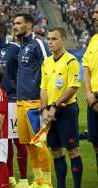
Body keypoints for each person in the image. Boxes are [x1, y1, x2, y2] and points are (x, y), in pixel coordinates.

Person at [0, 22, 28, 187]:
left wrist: (17, 85)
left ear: (2, 33)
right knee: (5, 140)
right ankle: (8, 176)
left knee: (18, 139)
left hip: (12, 100)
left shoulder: (14, 48)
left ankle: (24, 178)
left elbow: (24, 69)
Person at [13, 13, 52, 187]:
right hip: (21, 102)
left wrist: (47, 105)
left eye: (18, 23)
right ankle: (38, 181)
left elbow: (50, 69)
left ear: (29, 25)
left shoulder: (38, 43)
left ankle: (47, 183)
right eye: (14, 23)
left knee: (39, 144)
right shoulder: (22, 46)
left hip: (35, 102)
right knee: (29, 145)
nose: (14, 26)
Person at [41, 27, 82, 188]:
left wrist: (54, 107)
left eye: (54, 39)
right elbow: (43, 88)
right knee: (56, 151)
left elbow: (72, 87)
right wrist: (44, 110)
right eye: (49, 39)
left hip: (66, 110)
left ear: (63, 40)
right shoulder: (46, 62)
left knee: (72, 150)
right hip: (49, 112)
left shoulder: (71, 61)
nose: (50, 42)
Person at [83, 4, 98, 174]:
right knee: (95, 142)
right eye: (94, 12)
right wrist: (88, 94)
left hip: (96, 97)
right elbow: (86, 68)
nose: (94, 16)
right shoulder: (94, 40)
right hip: (92, 100)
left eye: (97, 13)